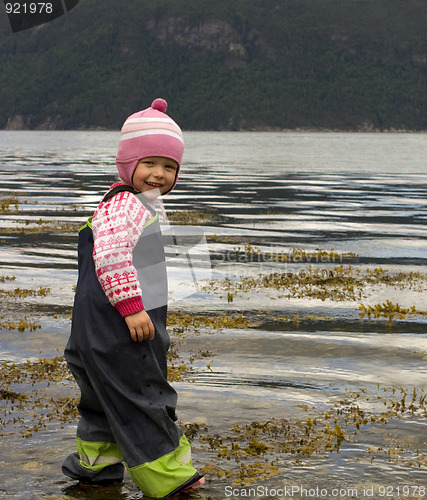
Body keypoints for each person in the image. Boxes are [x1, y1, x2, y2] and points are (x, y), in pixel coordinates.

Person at [62, 98, 205, 497]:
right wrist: (132, 309)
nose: (159, 174)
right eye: (150, 163)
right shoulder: (127, 204)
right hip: (118, 326)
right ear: (128, 165)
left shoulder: (125, 202)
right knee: (142, 393)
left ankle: (96, 468)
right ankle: (170, 479)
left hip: (92, 331)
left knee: (101, 399)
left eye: (170, 166)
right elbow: (109, 257)